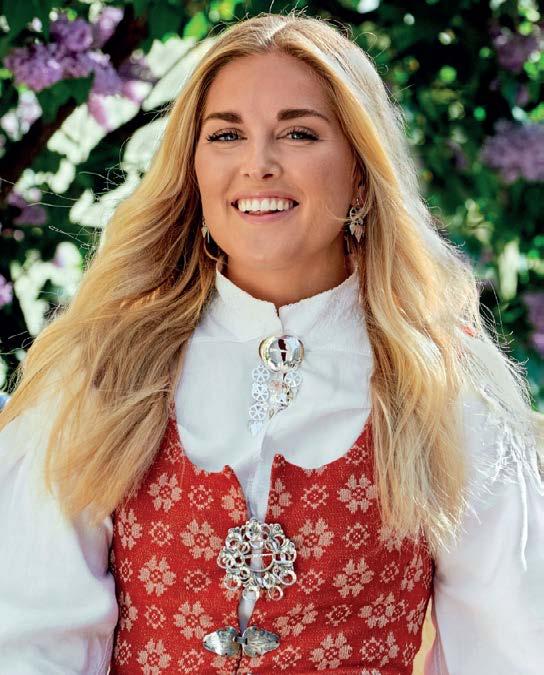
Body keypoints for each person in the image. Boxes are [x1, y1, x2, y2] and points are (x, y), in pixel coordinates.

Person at [0, 11, 543, 674]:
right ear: (193, 168)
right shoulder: (102, 371)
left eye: (298, 133)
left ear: (361, 171)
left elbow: (511, 648)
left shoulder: (444, 385)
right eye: (226, 134)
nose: (258, 164)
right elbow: (32, 641)